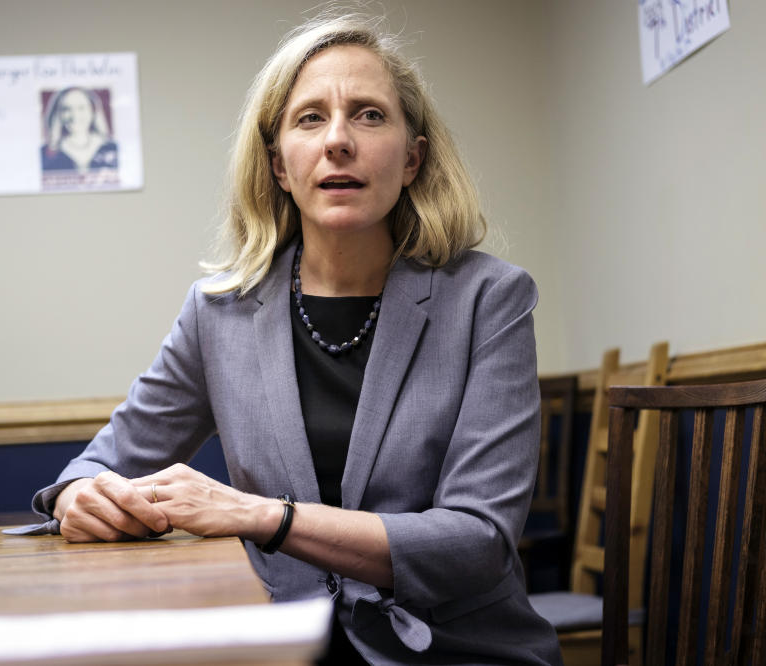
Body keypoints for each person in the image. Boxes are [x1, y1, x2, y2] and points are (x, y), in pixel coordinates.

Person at [28, 10, 563, 665]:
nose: (339, 140)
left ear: (414, 157)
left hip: (452, 649)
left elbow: (477, 543)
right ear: (280, 163)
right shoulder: (217, 312)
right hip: (276, 643)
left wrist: (263, 515)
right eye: (310, 118)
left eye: (368, 114)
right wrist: (80, 496)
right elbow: (96, 467)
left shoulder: (489, 299)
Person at [40, 86, 118, 173]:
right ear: (58, 115)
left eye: (81, 108)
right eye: (66, 109)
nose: (75, 116)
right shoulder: (45, 154)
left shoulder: (112, 148)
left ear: (93, 111)